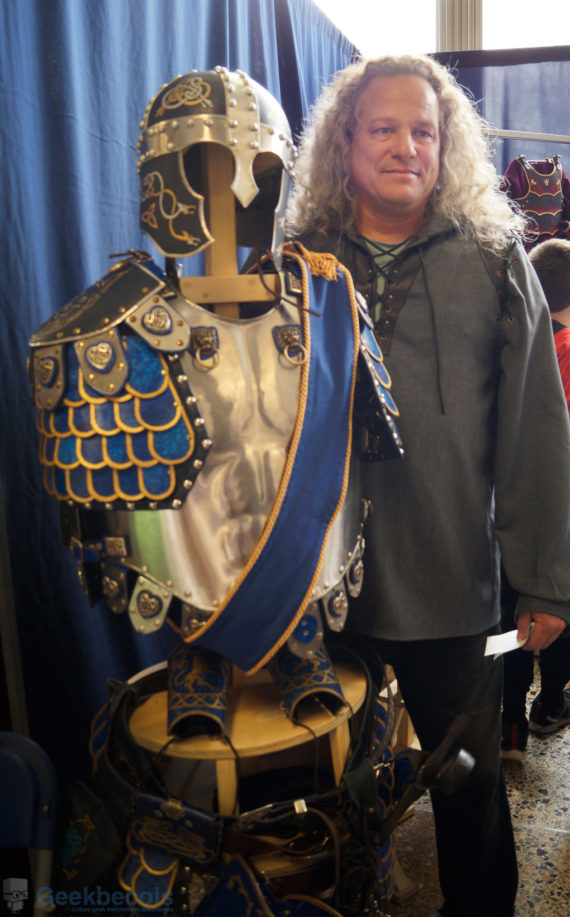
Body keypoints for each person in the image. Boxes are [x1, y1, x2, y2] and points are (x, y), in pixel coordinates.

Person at [286, 54, 570, 917]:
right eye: (383, 128)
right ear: (346, 141)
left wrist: (545, 579)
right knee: (324, 789)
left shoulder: (493, 259)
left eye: (424, 131)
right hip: (324, 592)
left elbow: (536, 429)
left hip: (455, 588)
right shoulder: (296, 263)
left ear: (447, 149)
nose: (405, 146)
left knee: (469, 785)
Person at [501, 238, 570, 762]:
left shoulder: (514, 345)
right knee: (558, 612)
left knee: (512, 617)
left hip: (509, 504)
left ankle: (509, 729)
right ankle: (549, 705)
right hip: (560, 504)